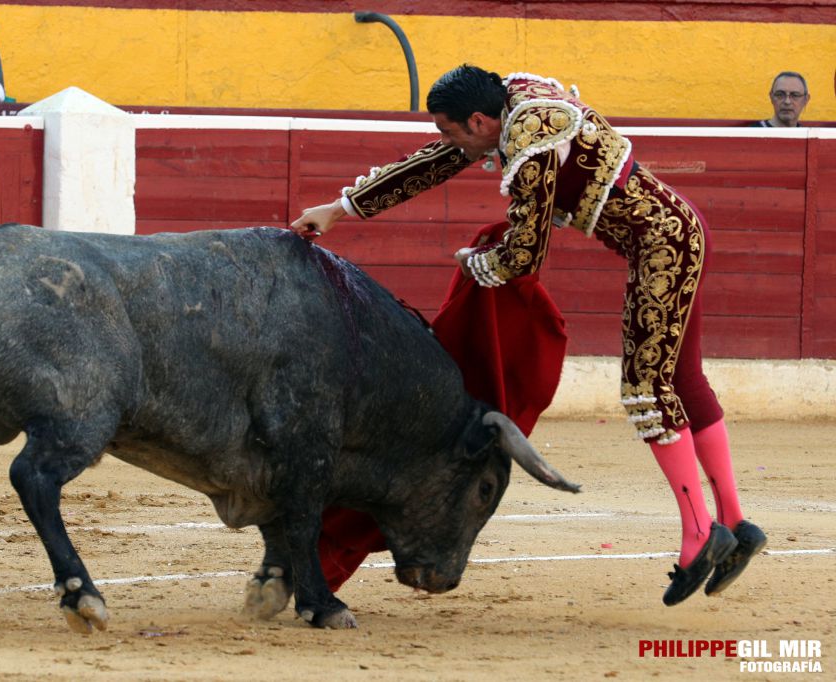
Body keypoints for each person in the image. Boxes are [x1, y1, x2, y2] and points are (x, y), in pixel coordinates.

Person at [291, 65, 767, 606]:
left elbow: (524, 256)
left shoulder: (529, 142)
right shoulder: (507, 106)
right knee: (682, 379)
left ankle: (701, 532)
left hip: (662, 250)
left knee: (648, 391)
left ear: (477, 119)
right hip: (680, 231)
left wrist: (474, 263)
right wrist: (340, 208)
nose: (448, 142)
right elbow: (438, 160)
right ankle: (733, 521)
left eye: (451, 130)